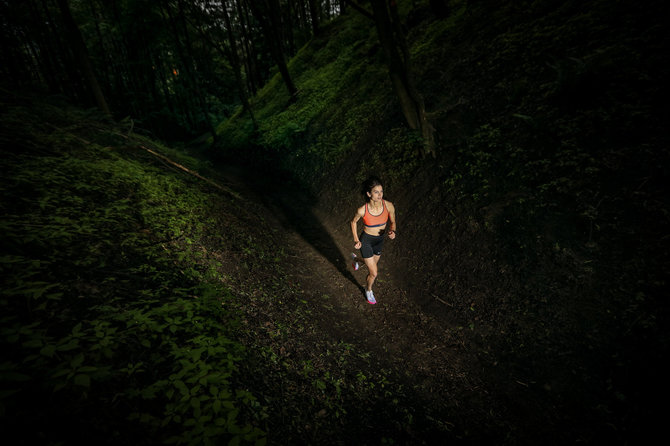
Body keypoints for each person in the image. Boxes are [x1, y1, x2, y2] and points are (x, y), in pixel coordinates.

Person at [350, 176, 397, 304]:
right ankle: (368, 289)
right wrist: (356, 239)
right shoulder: (362, 210)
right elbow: (353, 222)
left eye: (381, 191)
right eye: (376, 192)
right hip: (366, 241)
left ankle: (356, 260)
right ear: (369, 194)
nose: (380, 194)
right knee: (374, 273)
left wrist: (393, 231)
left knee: (370, 263)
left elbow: (393, 222)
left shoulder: (389, 206)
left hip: (379, 241)